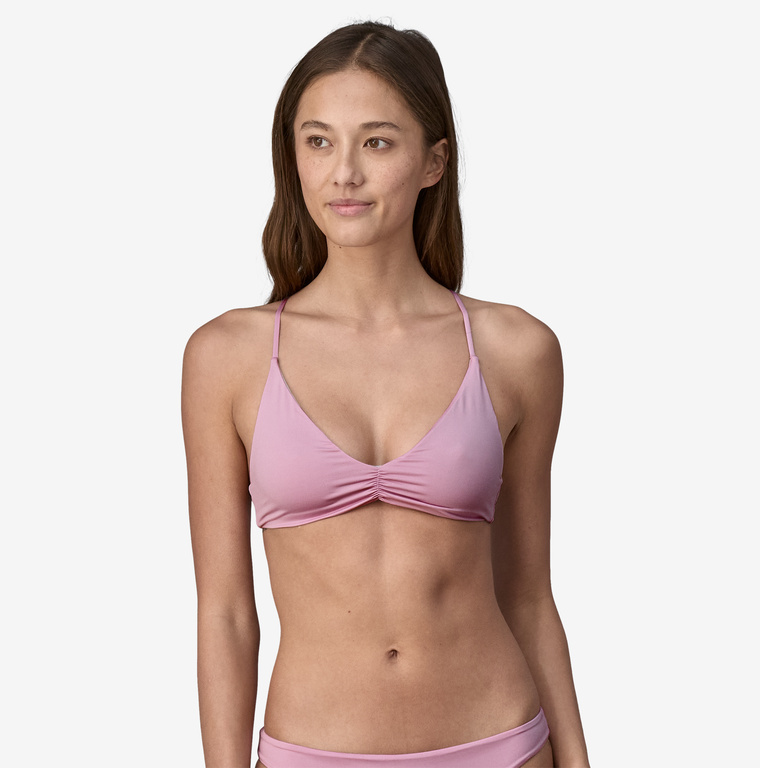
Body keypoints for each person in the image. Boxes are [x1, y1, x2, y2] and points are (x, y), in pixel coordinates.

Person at [182, 20, 590, 768]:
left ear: (434, 161)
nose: (344, 173)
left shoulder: (516, 350)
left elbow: (529, 595)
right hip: (313, 751)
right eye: (318, 141)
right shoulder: (226, 357)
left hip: (500, 743)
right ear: (293, 158)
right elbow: (227, 613)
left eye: (376, 142)